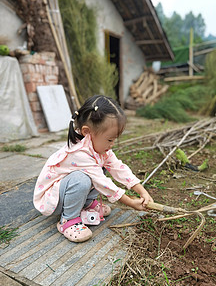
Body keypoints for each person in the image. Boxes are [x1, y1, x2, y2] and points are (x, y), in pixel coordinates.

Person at [33, 95, 153, 243]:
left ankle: (86, 204)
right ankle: (68, 219)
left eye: (114, 139)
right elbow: (103, 183)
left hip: (65, 191)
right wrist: (130, 202)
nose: (112, 144)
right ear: (87, 132)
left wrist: (142, 191)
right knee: (81, 179)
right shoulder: (79, 153)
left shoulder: (98, 148)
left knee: (101, 168)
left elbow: (118, 168)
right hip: (53, 199)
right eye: (109, 139)